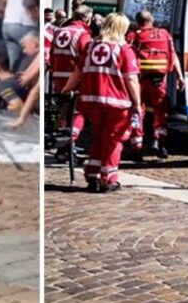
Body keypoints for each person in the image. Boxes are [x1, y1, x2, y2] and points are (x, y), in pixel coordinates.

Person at [61, 13, 142, 194]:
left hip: (92, 100)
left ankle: (92, 174)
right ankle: (109, 178)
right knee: (114, 141)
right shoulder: (125, 49)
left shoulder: (91, 46)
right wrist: (137, 103)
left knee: (99, 136)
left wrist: (66, 90)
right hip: (118, 102)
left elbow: (78, 72)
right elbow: (132, 79)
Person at [127, 10, 185, 159]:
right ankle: (159, 143)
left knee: (138, 111)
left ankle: (136, 147)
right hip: (159, 81)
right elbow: (173, 56)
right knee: (160, 112)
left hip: (139, 81)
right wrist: (180, 77)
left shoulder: (134, 36)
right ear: (152, 21)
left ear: (138, 22)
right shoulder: (164, 34)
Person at [2, 0, 40, 70]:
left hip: (8, 22)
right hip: (24, 23)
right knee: (33, 60)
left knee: (14, 65)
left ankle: (15, 85)